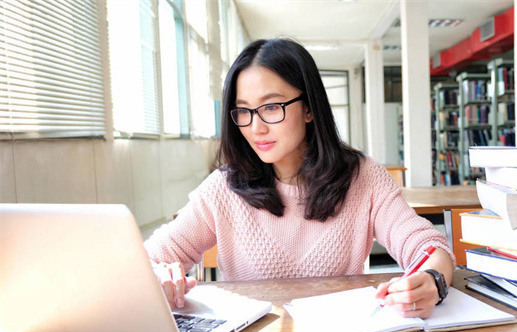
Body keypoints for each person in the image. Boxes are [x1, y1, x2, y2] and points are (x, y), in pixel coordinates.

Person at [144, 38, 455, 317]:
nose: (256, 128)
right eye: (243, 111)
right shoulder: (223, 189)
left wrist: (431, 281)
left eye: (271, 107)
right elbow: (147, 259)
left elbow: (429, 246)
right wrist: (158, 275)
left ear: (308, 108)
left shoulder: (363, 178)